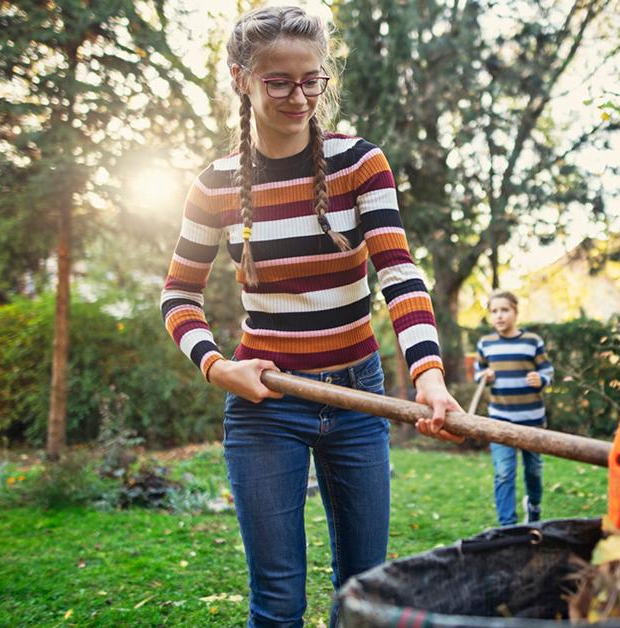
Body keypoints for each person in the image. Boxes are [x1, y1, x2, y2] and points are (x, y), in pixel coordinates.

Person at [159, 6, 461, 626]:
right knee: (277, 603)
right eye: (279, 82)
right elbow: (178, 296)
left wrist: (428, 375)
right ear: (242, 78)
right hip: (266, 405)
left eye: (312, 80)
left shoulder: (360, 164)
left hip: (358, 399)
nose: (300, 97)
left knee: (365, 595)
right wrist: (217, 368)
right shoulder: (213, 185)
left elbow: (398, 273)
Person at [474, 290, 555, 526]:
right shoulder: (485, 344)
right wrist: (484, 376)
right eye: (494, 311)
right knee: (503, 472)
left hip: (532, 420)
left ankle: (534, 507)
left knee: (534, 470)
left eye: (505, 310)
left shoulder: (532, 341)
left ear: (515, 312)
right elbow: (478, 372)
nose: (499, 316)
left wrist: (541, 379)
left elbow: (548, 370)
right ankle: (507, 527)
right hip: (499, 420)